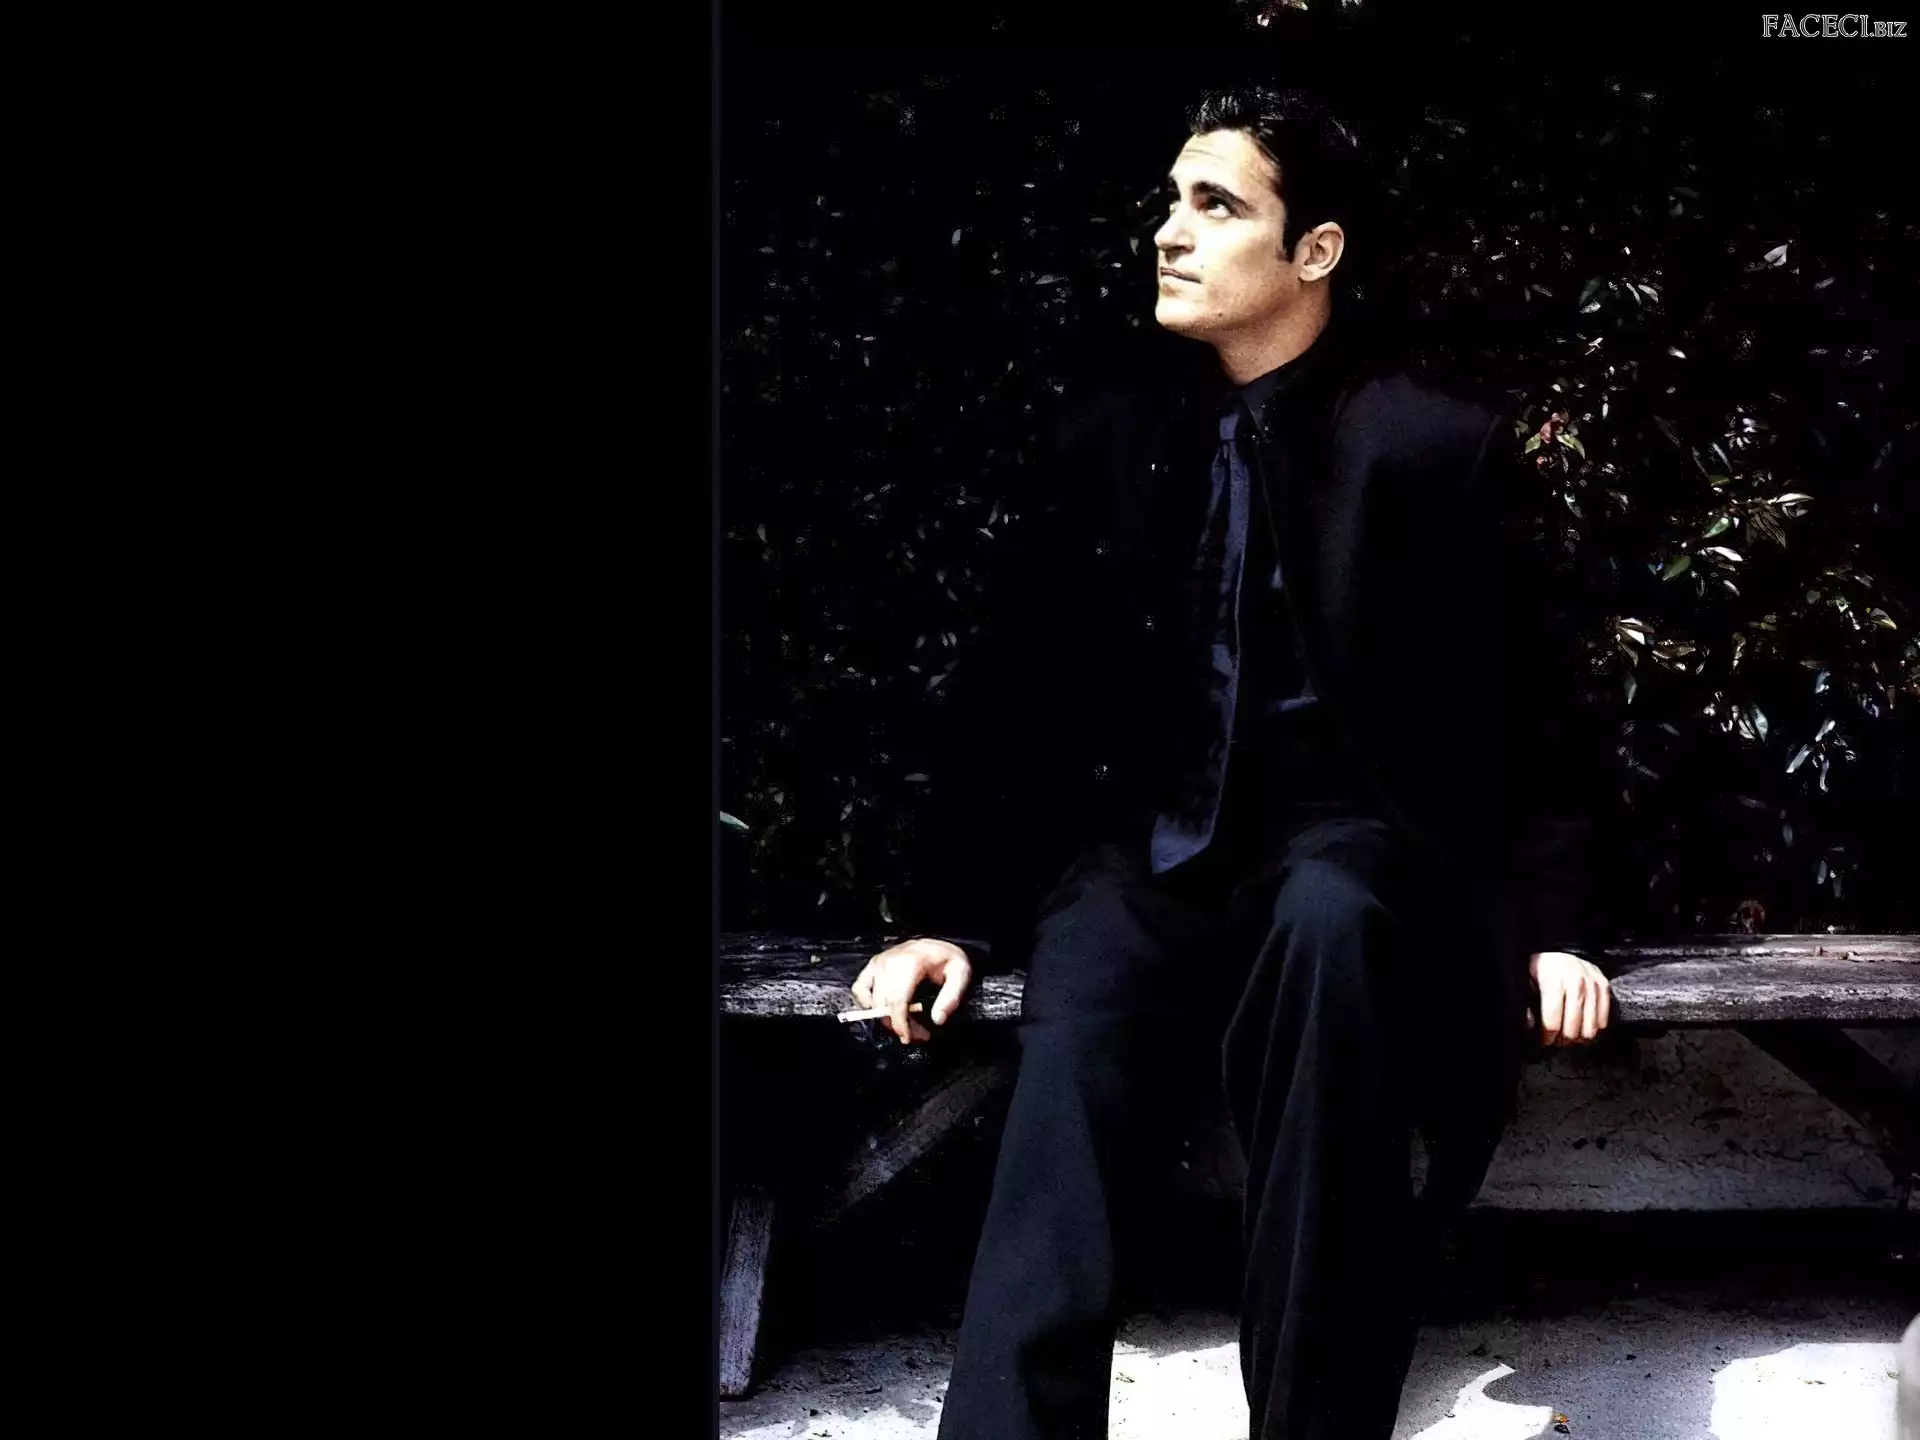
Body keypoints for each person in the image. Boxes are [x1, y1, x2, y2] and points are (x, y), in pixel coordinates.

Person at [850, 86, 1613, 1440]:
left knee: (1332, 933)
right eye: (1171, 200)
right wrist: (944, 919)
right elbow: (1012, 704)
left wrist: (1556, 928)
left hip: (1343, 851)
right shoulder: (1108, 437)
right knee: (1082, 994)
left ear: (1314, 251)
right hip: (1150, 857)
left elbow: (1532, 717)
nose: (1170, 231)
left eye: (1216, 205)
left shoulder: (1429, 447)